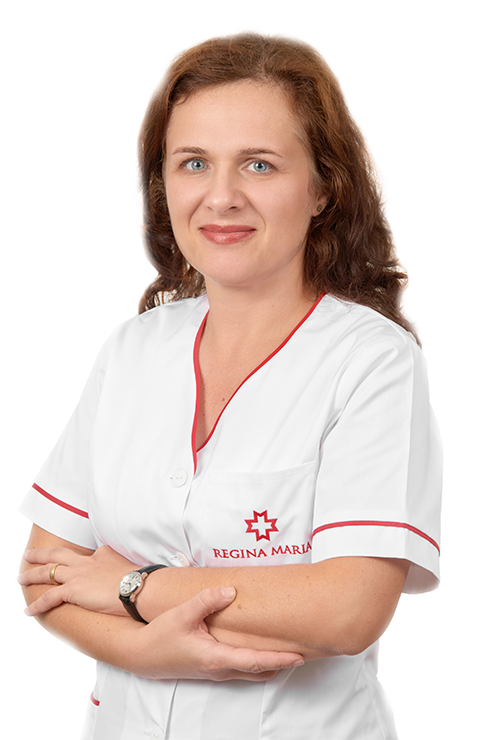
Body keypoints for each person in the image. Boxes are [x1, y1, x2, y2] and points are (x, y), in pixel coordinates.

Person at [18, 29, 442, 740]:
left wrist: (127, 584)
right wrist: (148, 650)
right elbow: (45, 574)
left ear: (323, 188)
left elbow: (347, 610)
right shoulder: (131, 351)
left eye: (258, 164)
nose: (221, 197)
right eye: (193, 163)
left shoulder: (372, 363)